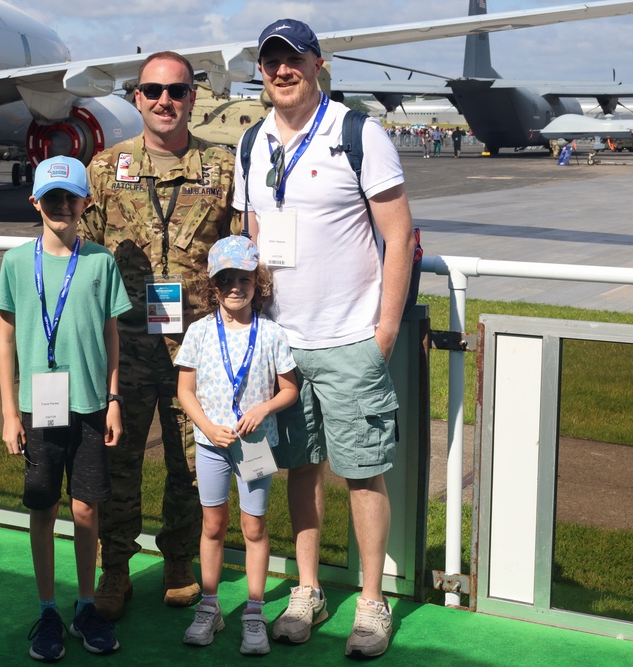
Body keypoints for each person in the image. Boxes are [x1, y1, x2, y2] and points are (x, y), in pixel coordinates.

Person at [233, 19, 417, 659]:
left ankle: (371, 602)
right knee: (299, 469)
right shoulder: (252, 143)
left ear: (317, 64)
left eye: (293, 60)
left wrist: (384, 332)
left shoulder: (358, 133)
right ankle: (306, 590)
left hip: (350, 340)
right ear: (260, 71)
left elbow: (400, 236)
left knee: (362, 473)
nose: (281, 71)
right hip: (281, 344)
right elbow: (251, 236)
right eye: (270, 62)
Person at [80, 50, 239, 621]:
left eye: (176, 91)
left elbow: (243, 254)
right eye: (152, 91)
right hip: (126, 348)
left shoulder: (222, 169)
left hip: (199, 350)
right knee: (118, 461)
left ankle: (178, 561)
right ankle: (116, 569)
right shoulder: (104, 169)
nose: (164, 101)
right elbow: (84, 259)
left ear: (193, 97)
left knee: (192, 465)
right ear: (136, 98)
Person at [0, 155, 132, 661]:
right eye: (51, 199)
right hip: (37, 408)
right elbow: (5, 338)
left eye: (70, 198)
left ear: (85, 203)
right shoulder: (15, 261)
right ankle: (48, 608)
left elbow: (110, 333)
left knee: (85, 507)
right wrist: (11, 412)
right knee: (44, 507)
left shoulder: (100, 261)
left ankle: (85, 604)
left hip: (92, 405)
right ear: (35, 202)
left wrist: (114, 399)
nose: (61, 207)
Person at [175, 235, 298, 655]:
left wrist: (264, 409)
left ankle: (254, 612)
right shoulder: (199, 332)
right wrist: (208, 428)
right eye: (225, 279)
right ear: (212, 285)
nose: (234, 287)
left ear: (256, 282)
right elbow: (185, 391)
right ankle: (209, 607)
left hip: (255, 446)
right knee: (212, 525)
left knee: (254, 527)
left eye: (243, 278)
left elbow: (289, 390)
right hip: (212, 445)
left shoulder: (271, 334)